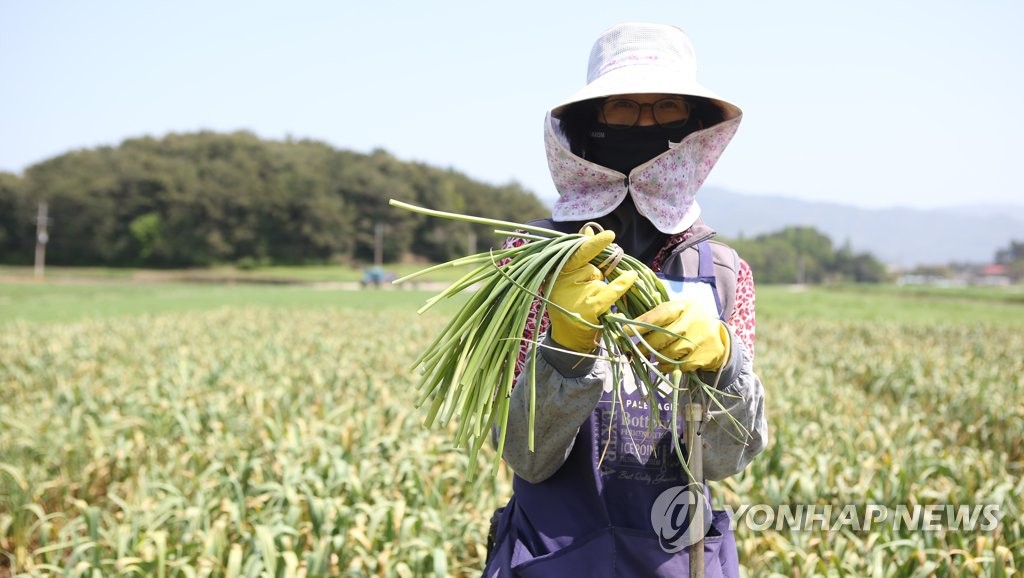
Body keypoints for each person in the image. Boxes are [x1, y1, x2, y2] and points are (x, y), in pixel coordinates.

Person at [481, 23, 768, 577]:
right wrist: (565, 350)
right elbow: (525, 455)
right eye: (622, 107)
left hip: (676, 559)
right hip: (554, 556)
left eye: (666, 109)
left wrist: (721, 363)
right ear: (589, 125)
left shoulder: (724, 272)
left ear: (694, 130)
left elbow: (727, 458)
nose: (645, 123)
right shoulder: (528, 259)